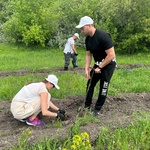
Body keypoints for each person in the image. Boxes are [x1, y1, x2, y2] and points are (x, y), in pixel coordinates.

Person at [76, 16, 116, 116]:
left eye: (82, 28)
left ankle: (98, 109)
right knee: (90, 84)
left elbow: (111, 55)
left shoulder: (103, 36)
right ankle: (87, 106)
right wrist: (86, 68)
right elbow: (88, 54)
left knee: (103, 87)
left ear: (89, 26)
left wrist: (100, 67)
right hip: (98, 63)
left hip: (109, 63)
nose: (81, 31)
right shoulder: (88, 39)